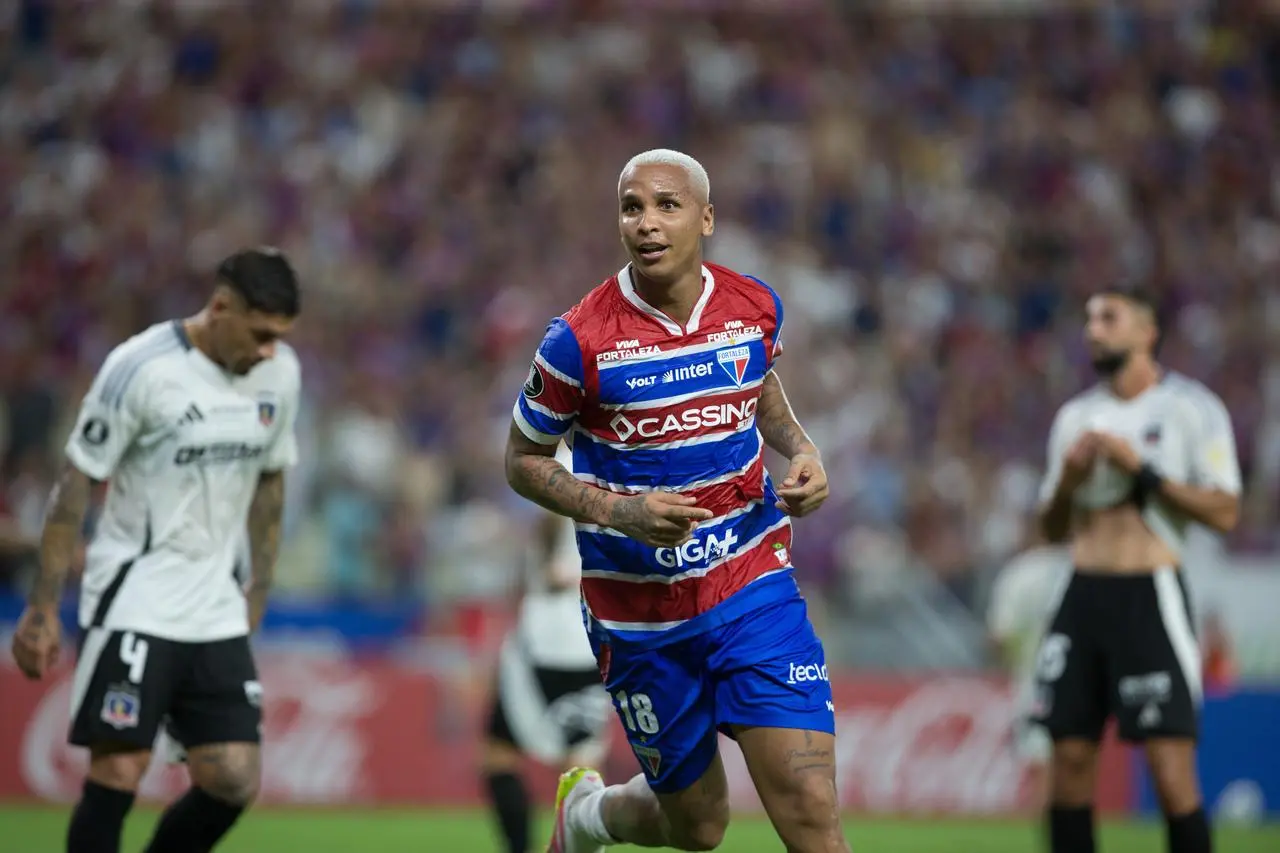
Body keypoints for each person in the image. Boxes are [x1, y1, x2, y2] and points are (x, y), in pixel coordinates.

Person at [504, 149, 847, 853]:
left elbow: (759, 387)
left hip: (751, 585)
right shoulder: (577, 341)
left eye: (667, 205)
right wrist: (617, 511)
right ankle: (587, 817)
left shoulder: (754, 305)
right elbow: (521, 461)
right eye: (633, 207)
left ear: (707, 219)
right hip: (642, 615)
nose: (647, 223)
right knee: (699, 827)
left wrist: (802, 449)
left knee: (812, 808)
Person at [9, 248, 303, 853]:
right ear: (221, 307)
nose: (268, 350)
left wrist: (261, 586)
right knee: (118, 771)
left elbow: (272, 479)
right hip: (136, 596)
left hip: (215, 599)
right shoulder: (140, 368)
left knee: (233, 778)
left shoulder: (281, 373)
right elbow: (75, 483)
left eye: (280, 337)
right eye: (259, 334)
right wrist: (41, 607)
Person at [1033, 286, 1241, 853]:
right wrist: (1072, 482)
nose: (1092, 329)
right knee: (1069, 759)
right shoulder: (1074, 417)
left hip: (1150, 593)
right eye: (1089, 317)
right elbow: (1050, 529)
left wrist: (1141, 472)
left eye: (1108, 317)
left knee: (1170, 768)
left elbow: (1225, 510)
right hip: (1080, 592)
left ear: (1146, 332)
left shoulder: (1191, 409)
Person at [483, 442, 613, 853]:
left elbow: (549, 525)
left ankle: (520, 848)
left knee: (499, 754)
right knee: (581, 764)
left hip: (547, 636)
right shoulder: (620, 461)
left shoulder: (561, 460)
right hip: (594, 638)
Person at [985, 542, 1070, 812]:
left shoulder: (1023, 571)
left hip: (1035, 682)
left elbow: (999, 635)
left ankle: (1051, 834)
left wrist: (1010, 659)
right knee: (1072, 765)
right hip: (1083, 681)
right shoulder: (1084, 565)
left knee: (1041, 762)